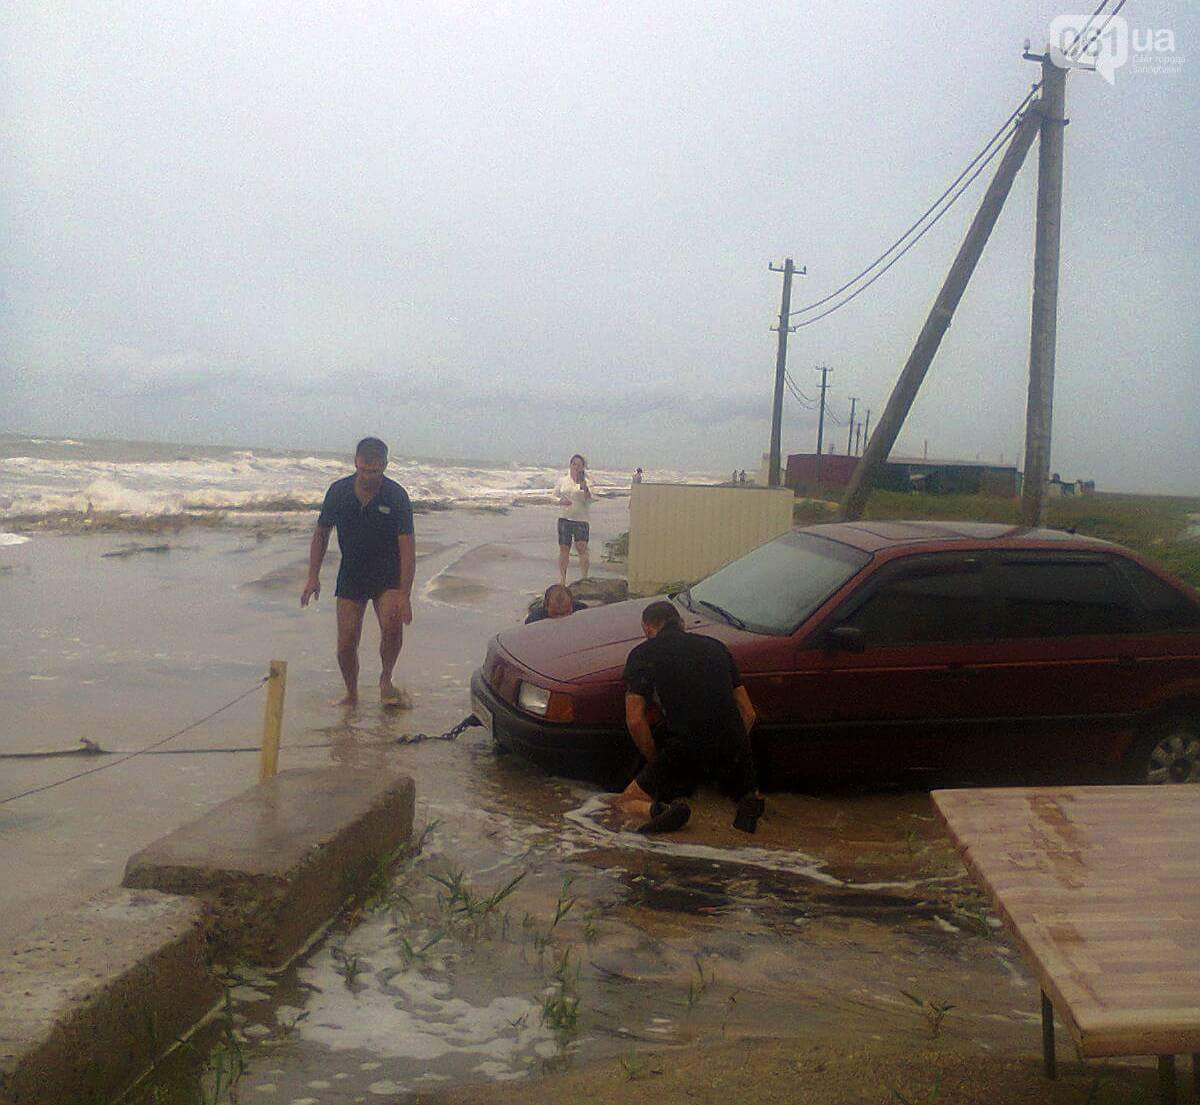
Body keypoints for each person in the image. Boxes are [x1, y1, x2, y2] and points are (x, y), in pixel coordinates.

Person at [610, 601, 765, 835]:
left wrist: (656, 760)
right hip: (733, 741)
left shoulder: (644, 653)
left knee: (624, 802)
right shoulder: (716, 647)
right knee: (742, 800)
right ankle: (747, 804)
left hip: (686, 743)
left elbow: (634, 720)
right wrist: (731, 746)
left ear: (648, 628)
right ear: (681, 623)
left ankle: (661, 811)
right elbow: (749, 713)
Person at [301, 437, 415, 708]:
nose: (367, 477)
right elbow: (321, 533)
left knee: (391, 626)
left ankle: (386, 680)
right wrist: (313, 576)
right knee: (346, 642)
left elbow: (408, 548)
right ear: (355, 463)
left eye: (374, 471)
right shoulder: (338, 492)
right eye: (363, 470)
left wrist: (404, 594)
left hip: (387, 573)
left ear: (384, 466)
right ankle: (351, 693)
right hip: (351, 572)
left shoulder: (396, 496)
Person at [554, 453, 593, 586]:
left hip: (581, 519)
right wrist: (560, 500)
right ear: (570, 465)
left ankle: (584, 578)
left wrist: (585, 487)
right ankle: (563, 579)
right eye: (574, 464)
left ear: (583, 467)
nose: (576, 467)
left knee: (582, 548)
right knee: (564, 549)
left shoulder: (588, 481)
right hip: (565, 518)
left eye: (579, 465)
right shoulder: (562, 480)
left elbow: (591, 499)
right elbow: (553, 496)